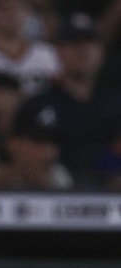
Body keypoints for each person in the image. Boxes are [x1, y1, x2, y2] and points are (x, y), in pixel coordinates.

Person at [14, 12, 121, 189]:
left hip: (109, 194)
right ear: (58, 52)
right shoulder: (37, 104)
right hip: (51, 196)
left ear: (101, 53)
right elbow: (22, 158)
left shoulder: (115, 104)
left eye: (90, 43)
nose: (83, 50)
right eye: (74, 43)